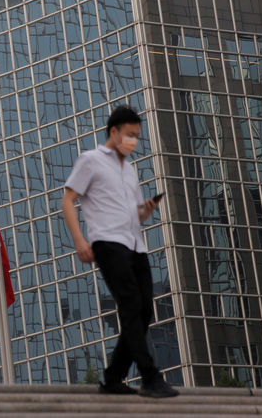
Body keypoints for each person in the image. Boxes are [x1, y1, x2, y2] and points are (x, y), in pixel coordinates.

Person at [62, 105, 178, 398]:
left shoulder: (130, 170)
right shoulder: (91, 161)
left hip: (135, 244)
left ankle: (113, 377)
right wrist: (79, 241)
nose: (133, 142)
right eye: (129, 135)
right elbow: (67, 200)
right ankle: (151, 377)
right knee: (130, 305)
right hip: (107, 243)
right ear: (113, 132)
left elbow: (133, 214)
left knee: (144, 312)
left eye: (137, 136)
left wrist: (146, 210)